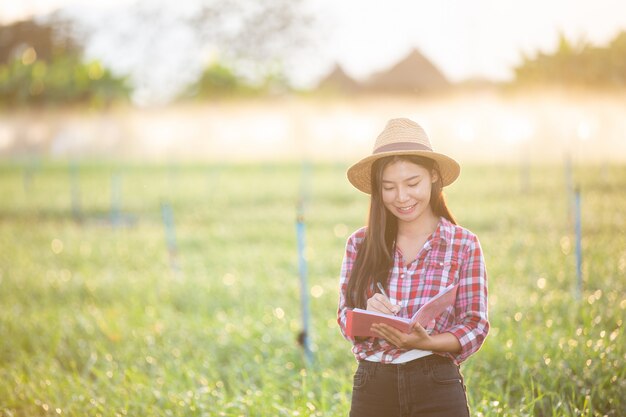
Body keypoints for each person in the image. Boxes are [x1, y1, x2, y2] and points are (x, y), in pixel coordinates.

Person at [337, 118, 489, 417]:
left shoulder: (463, 243)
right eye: (389, 187)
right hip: (373, 384)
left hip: (436, 381)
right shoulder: (359, 243)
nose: (402, 197)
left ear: (433, 176)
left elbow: (475, 324)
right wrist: (367, 314)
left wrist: (427, 342)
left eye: (412, 183)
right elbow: (344, 317)